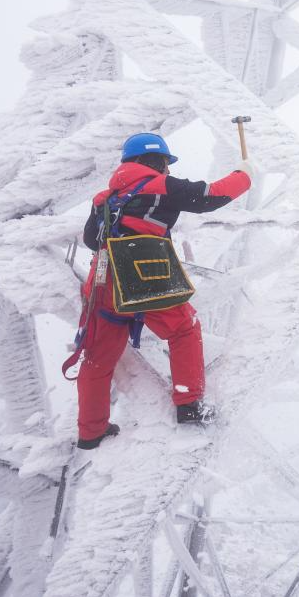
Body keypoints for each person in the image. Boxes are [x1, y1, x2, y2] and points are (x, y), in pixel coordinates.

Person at [74, 133, 253, 449]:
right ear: (154, 162)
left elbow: (91, 240)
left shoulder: (103, 198)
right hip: (146, 277)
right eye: (165, 164)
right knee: (184, 329)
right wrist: (244, 175)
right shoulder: (159, 186)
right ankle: (190, 406)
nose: (167, 171)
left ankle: (91, 433)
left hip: (101, 286)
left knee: (97, 360)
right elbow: (211, 196)